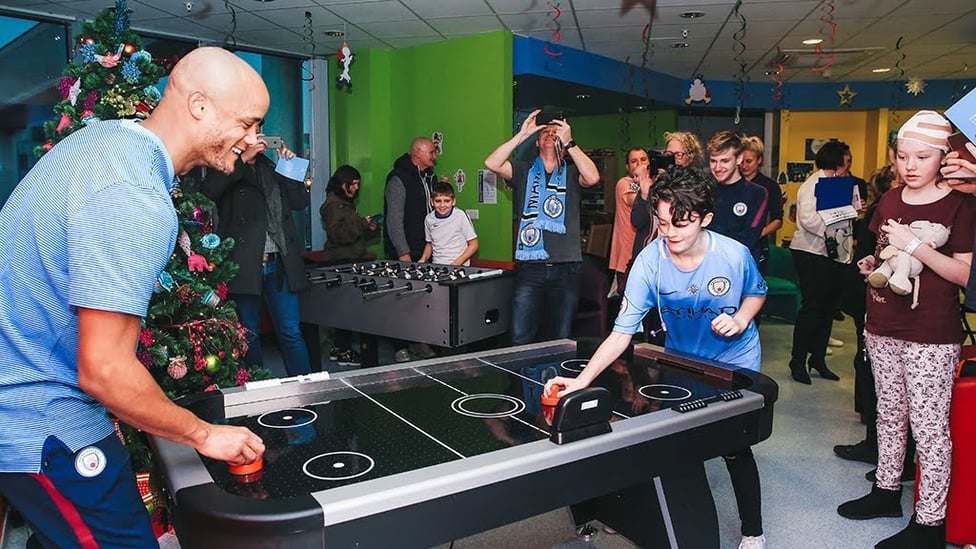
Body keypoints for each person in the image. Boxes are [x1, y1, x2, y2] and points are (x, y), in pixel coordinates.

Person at [0, 47, 267, 547]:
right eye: (248, 123)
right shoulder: (134, 196)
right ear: (200, 106)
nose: (253, 142)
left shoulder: (104, 140)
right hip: (42, 422)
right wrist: (206, 435)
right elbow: (104, 369)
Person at [546, 165, 768, 549]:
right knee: (675, 439)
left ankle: (753, 531)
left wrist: (742, 317)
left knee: (734, 447)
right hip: (682, 361)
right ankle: (645, 512)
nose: (670, 233)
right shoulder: (650, 261)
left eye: (681, 224)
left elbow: (756, 292)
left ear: (706, 219)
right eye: (663, 223)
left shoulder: (734, 255)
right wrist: (581, 381)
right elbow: (621, 334)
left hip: (735, 361)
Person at [837, 110, 976, 549]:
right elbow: (885, 253)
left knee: (930, 427)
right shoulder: (890, 201)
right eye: (902, 156)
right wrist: (873, 265)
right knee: (889, 414)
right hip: (882, 324)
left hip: (931, 333)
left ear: (943, 158)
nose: (910, 165)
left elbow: (963, 275)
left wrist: (916, 247)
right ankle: (886, 491)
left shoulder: (961, 205)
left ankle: (930, 523)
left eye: (921, 156)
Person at [484, 108, 601, 345]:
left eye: (555, 132)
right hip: (531, 267)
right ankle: (521, 382)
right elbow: (492, 162)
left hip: (567, 267)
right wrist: (521, 134)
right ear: (537, 142)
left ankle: (556, 381)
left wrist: (570, 143)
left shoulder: (571, 172)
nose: (550, 134)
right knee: (520, 335)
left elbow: (593, 178)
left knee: (561, 337)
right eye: (545, 132)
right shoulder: (523, 170)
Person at [201, 133, 311, 378]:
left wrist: (290, 166)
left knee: (291, 331)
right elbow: (207, 193)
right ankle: (256, 390)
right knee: (249, 332)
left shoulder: (272, 167)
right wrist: (242, 160)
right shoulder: (225, 165)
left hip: (279, 262)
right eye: (250, 130)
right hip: (245, 263)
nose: (256, 136)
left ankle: (307, 390)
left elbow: (299, 201)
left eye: (259, 129)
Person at [787, 140, 854, 384]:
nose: (848, 165)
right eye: (846, 160)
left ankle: (818, 359)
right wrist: (838, 216)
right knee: (813, 308)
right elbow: (808, 221)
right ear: (836, 162)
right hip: (811, 253)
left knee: (828, 308)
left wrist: (852, 210)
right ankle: (797, 361)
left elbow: (848, 213)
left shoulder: (841, 184)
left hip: (834, 254)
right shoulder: (813, 185)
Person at [384, 137, 443, 362]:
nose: (434, 157)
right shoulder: (398, 180)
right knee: (401, 300)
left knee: (423, 301)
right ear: (417, 153)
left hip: (425, 249)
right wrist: (403, 252)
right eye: (431, 152)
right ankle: (400, 346)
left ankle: (421, 342)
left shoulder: (430, 178)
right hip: (405, 251)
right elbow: (394, 220)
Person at [320, 164, 379, 366]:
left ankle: (342, 348)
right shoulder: (334, 206)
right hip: (340, 262)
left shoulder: (344, 204)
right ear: (343, 184)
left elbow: (351, 232)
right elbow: (339, 235)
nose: (356, 189)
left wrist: (369, 228)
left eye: (357, 185)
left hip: (349, 260)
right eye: (353, 185)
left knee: (346, 308)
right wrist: (362, 224)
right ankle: (342, 349)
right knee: (344, 309)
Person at [706, 130, 769, 260]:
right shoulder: (704, 190)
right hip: (706, 263)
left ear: (738, 159)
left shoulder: (757, 193)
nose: (717, 167)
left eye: (725, 161)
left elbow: (749, 237)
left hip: (740, 265)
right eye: (713, 161)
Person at [608, 148, 651, 294]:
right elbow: (633, 200)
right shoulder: (625, 182)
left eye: (643, 159)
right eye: (634, 161)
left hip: (646, 251)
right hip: (628, 255)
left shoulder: (652, 183)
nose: (640, 164)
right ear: (627, 167)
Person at [739, 136, 783, 274]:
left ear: (759, 160)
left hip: (757, 246)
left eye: (749, 161)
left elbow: (777, 220)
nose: (744, 166)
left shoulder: (769, 186)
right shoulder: (729, 183)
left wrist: (759, 233)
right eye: (741, 161)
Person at [419, 181, 479, 266]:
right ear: (432, 202)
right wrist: (423, 259)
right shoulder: (429, 219)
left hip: (459, 267)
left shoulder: (460, 215)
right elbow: (430, 243)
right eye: (438, 201)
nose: (442, 205)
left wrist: (456, 263)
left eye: (447, 201)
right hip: (437, 266)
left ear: (453, 202)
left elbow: (474, 244)